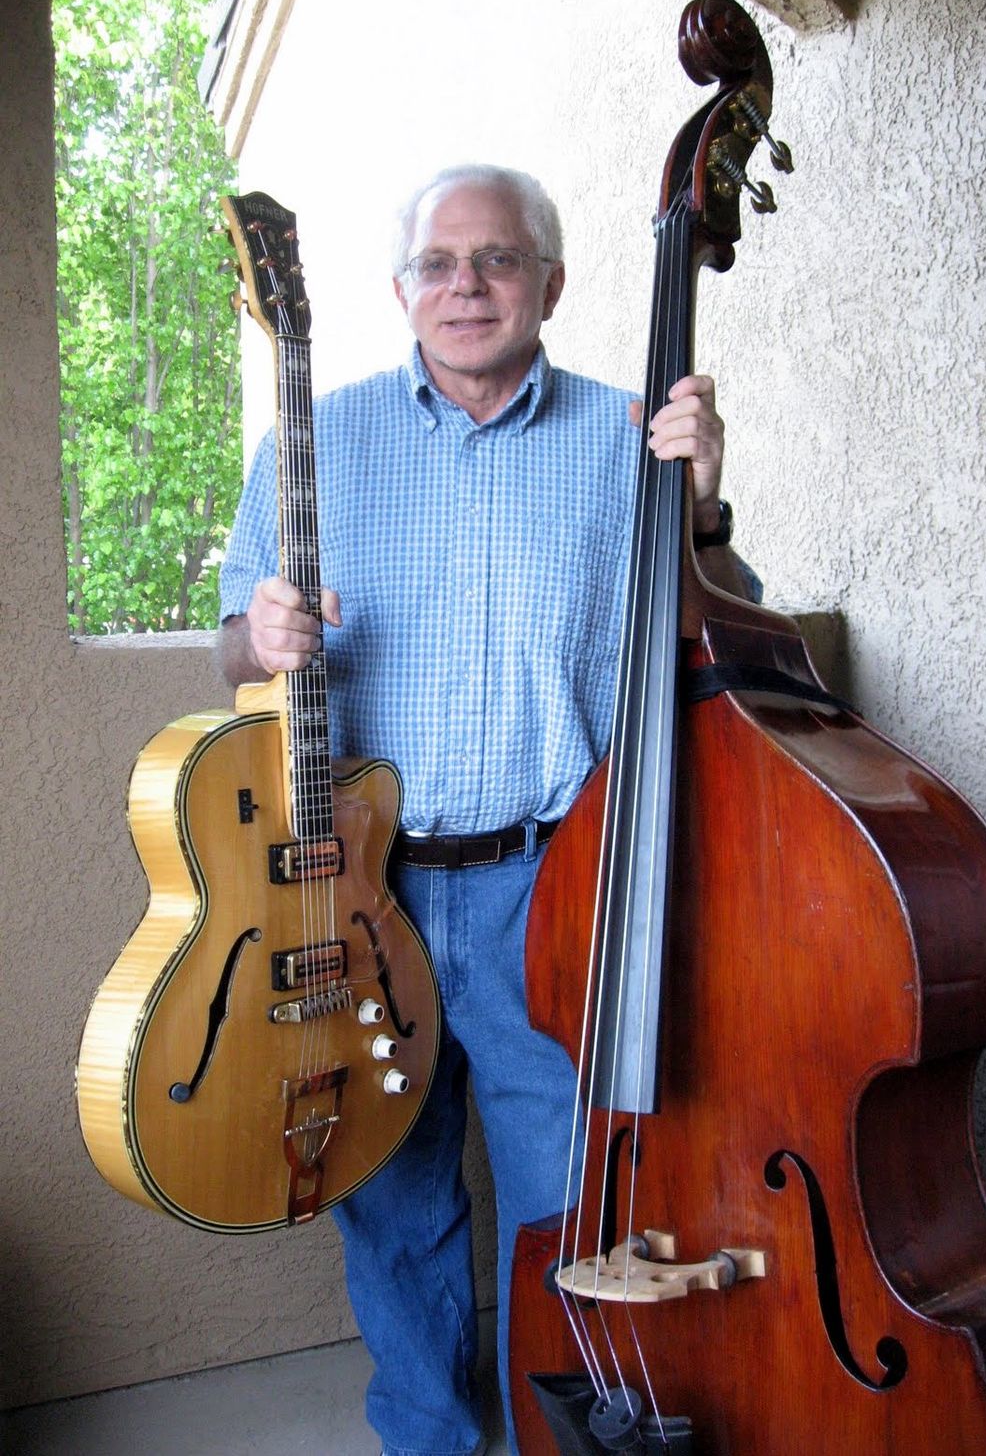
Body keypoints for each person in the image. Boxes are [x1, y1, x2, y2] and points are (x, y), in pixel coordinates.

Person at [217, 163, 755, 1456]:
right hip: (361, 889)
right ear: (402, 290)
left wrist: (706, 503)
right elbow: (233, 652)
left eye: (500, 259)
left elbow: (712, 627)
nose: (469, 285)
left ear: (551, 284)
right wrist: (263, 634)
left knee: (562, 1209)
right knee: (391, 1202)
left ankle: (549, 1433)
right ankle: (430, 1442)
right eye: (442, 263)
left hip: (552, 886)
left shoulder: (627, 436)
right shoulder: (312, 441)